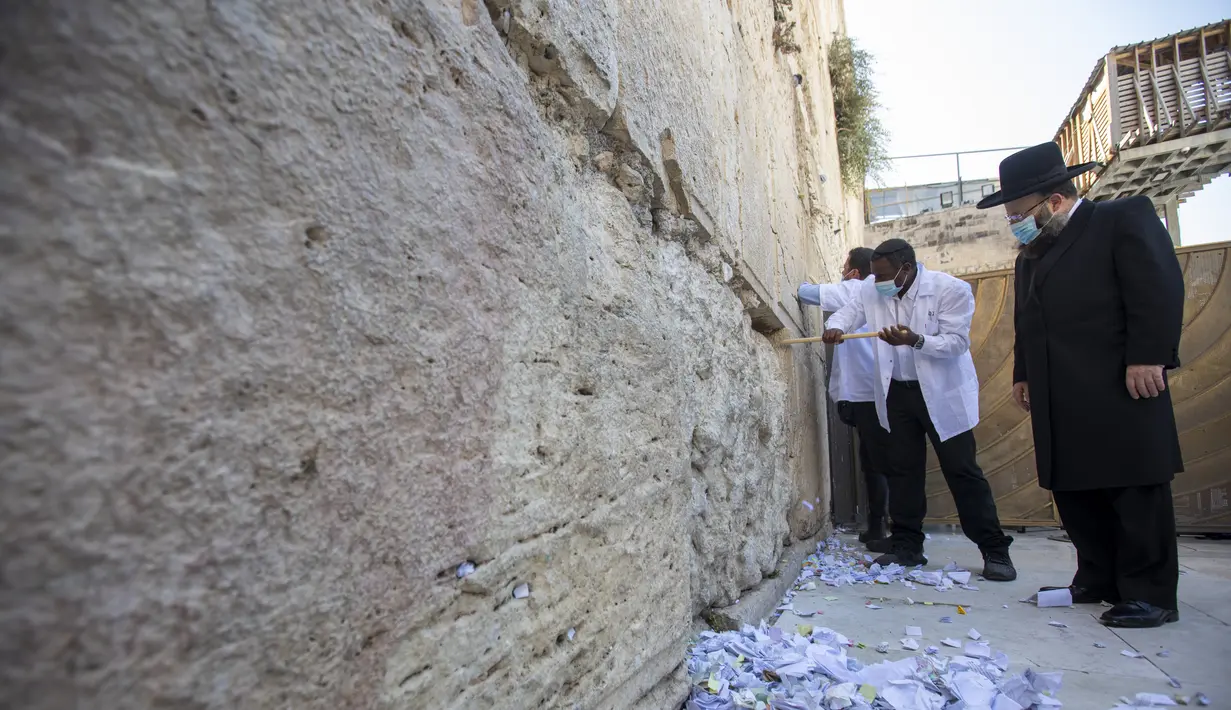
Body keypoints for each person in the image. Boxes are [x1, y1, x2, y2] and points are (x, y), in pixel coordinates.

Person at [976, 142, 1185, 628]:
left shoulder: (1121, 219)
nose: (1014, 224)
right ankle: (1096, 577)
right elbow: (1026, 319)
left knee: (1131, 487)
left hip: (1120, 383)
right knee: (1075, 489)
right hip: (1058, 392)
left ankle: (1150, 593)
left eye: (1018, 214)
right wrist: (1022, 372)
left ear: (1054, 201)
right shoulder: (1031, 255)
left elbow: (1158, 285)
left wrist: (1149, 355)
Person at [821, 239, 1016, 581]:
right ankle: (907, 545)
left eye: (883, 275)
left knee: (962, 470)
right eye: (874, 276)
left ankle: (994, 548)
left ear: (906, 268)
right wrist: (834, 327)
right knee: (902, 470)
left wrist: (915, 340)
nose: (876, 282)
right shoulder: (872, 288)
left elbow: (956, 342)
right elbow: (849, 311)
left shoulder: (949, 289)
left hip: (940, 393)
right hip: (896, 391)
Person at [799, 247, 890, 544]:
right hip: (878, 388)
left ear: (854, 273)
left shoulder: (854, 288)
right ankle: (878, 526)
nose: (841, 271)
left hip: (864, 391)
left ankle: (881, 527)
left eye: (844, 266)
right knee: (874, 458)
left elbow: (806, 293)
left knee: (876, 462)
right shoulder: (879, 295)